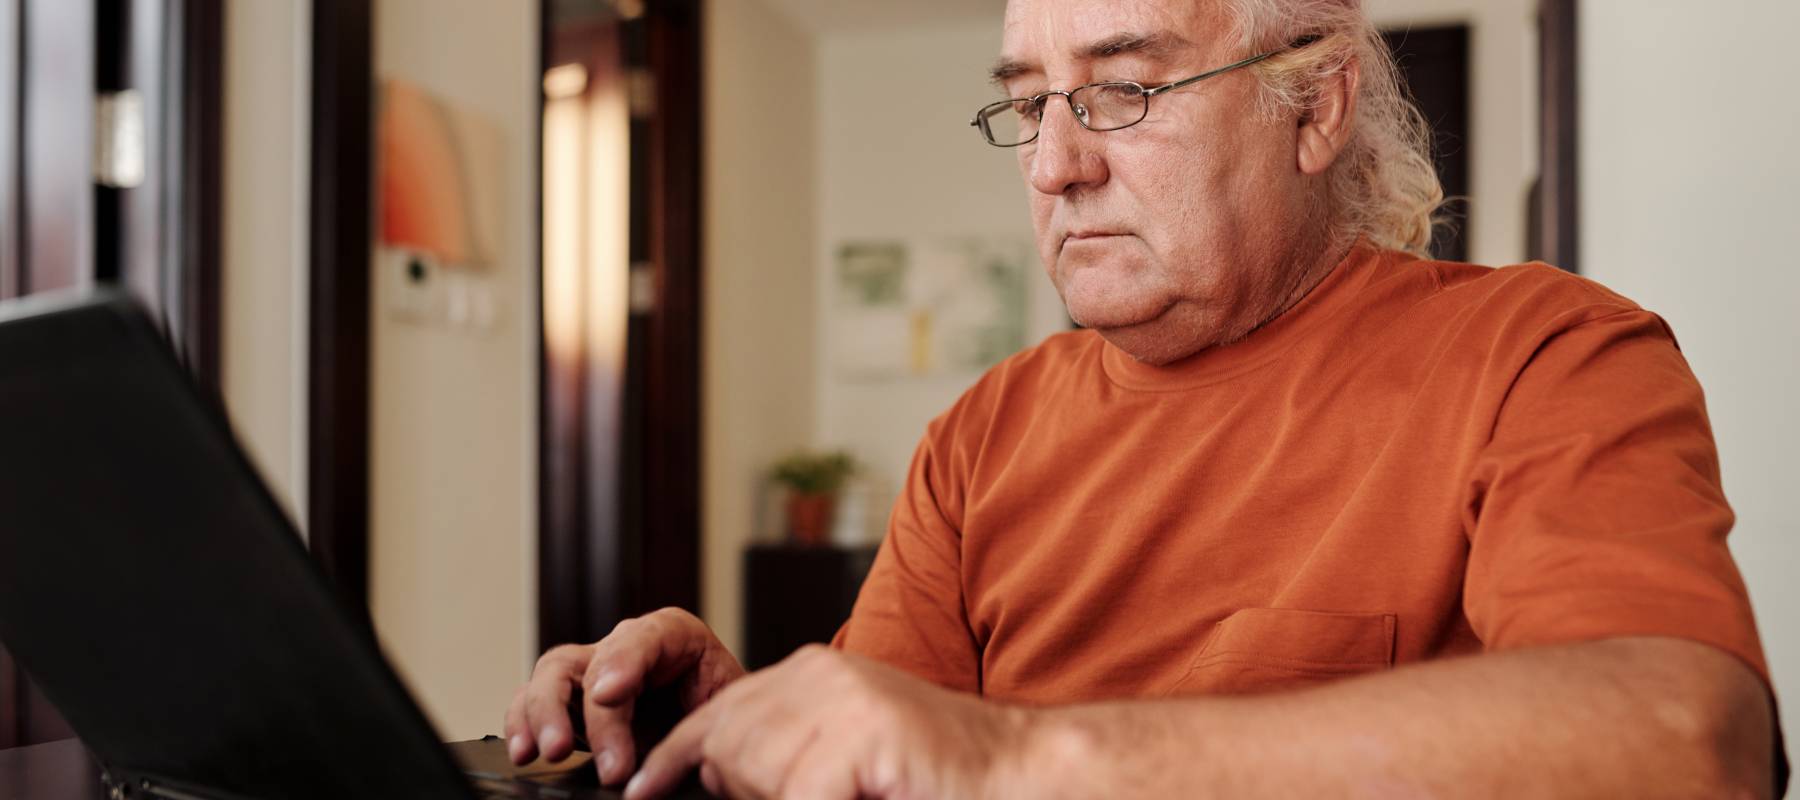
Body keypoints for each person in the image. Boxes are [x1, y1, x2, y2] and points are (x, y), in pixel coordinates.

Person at [506, 0, 1786, 796]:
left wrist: (1024, 759)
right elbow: (891, 746)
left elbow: (1689, 742)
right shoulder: (982, 433)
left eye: (1125, 88)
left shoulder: (1545, 355)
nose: (1057, 164)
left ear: (1315, 102)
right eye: (1026, 103)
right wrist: (727, 735)